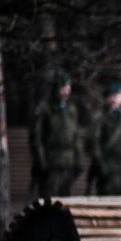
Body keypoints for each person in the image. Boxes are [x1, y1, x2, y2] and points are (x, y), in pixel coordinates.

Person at [29, 71, 84, 199]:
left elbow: (75, 136)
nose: (67, 91)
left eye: (68, 87)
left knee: (68, 203)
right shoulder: (45, 108)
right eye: (64, 87)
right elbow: (36, 139)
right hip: (51, 162)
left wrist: (79, 161)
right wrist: (42, 164)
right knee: (50, 201)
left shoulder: (71, 109)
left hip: (68, 162)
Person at [89, 81, 121, 195]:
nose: (115, 98)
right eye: (112, 95)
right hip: (108, 165)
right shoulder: (100, 117)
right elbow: (94, 144)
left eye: (117, 95)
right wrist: (102, 166)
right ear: (106, 98)